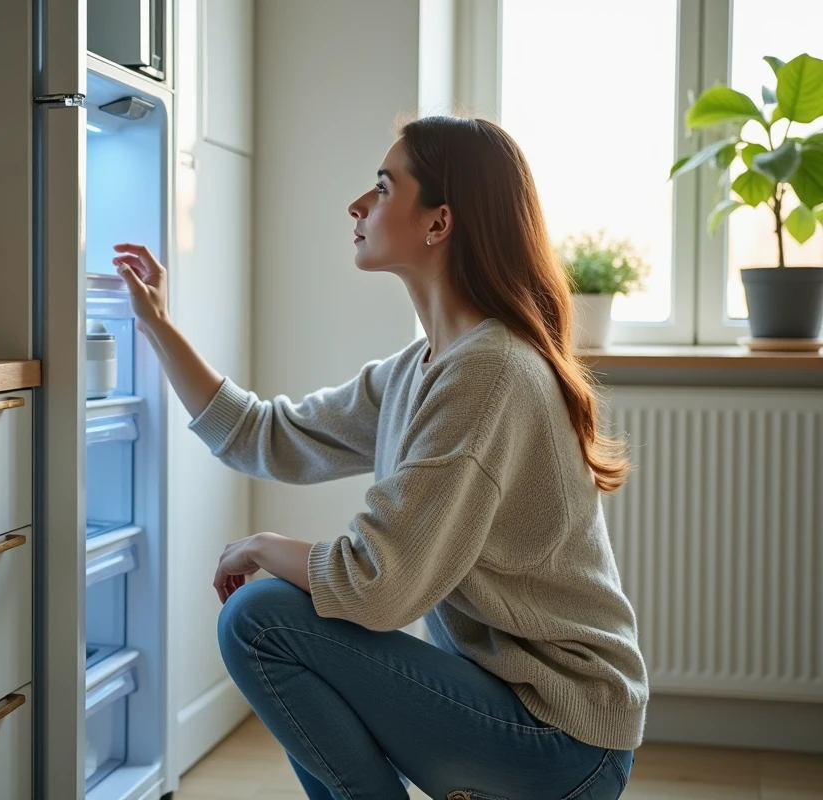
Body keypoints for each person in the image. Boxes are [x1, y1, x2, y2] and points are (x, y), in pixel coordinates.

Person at [112, 114, 647, 800]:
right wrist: (157, 324)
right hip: (523, 712)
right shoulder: (421, 370)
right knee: (265, 613)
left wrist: (264, 546)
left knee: (259, 618)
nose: (357, 205)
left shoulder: (489, 374)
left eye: (384, 188)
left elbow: (379, 585)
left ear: (439, 223)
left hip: (564, 741)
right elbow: (263, 435)